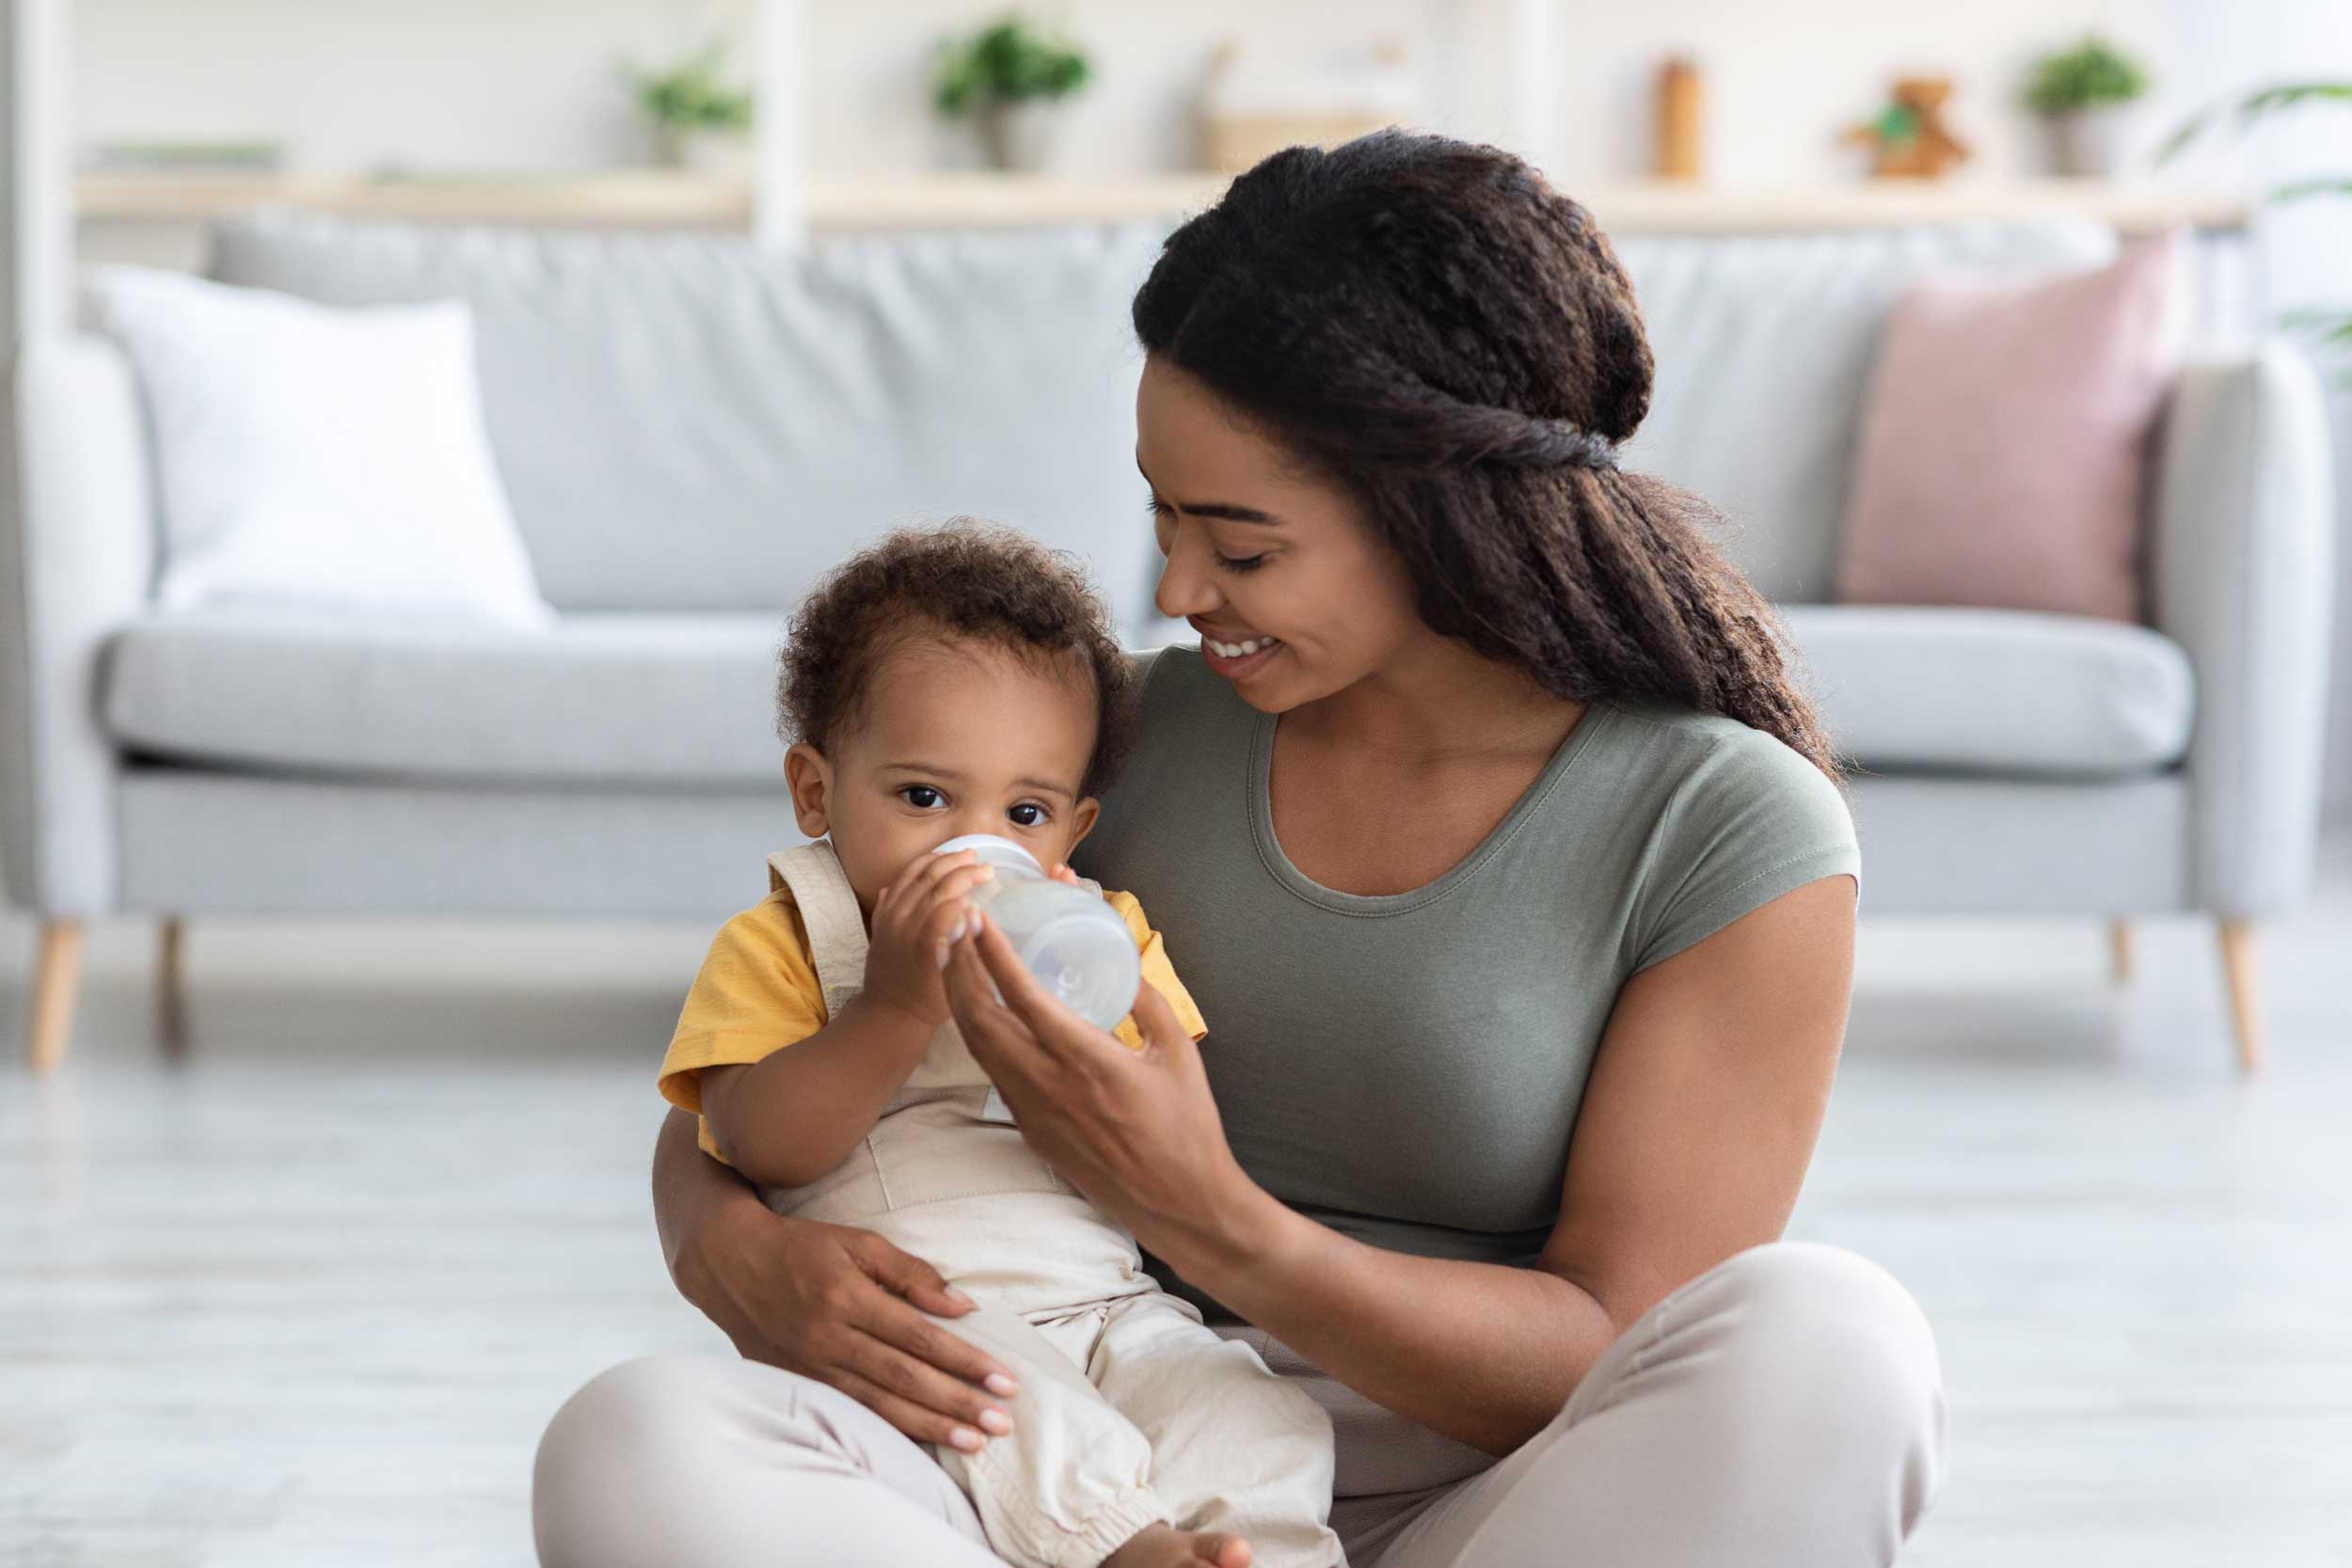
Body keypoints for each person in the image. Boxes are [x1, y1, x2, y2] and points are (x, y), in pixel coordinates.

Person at [534, 129, 1946, 1568]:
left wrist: (1211, 1218)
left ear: (1445, 514)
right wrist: (731, 1248)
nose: (1177, 585)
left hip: (1504, 1506)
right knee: (639, 1440)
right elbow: (768, 1060)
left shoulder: (1720, 824)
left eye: (1243, 544)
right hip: (1064, 1475)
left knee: (1831, 1338)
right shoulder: (1096, 754)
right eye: (1162, 514)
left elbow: (1613, 1335)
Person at [648, 524, 1341, 1568]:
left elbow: (1173, 1120)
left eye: (1024, 811)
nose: (972, 845)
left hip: (1111, 1302)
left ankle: (1263, 1555)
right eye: (923, 797)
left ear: (1073, 829)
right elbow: (756, 1145)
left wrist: (1072, 999)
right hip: (920, 1301)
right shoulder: (789, 937)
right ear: (815, 790)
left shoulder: (1102, 928)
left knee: (1247, 1405)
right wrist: (889, 1008)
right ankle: (1122, 1549)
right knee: (998, 1398)